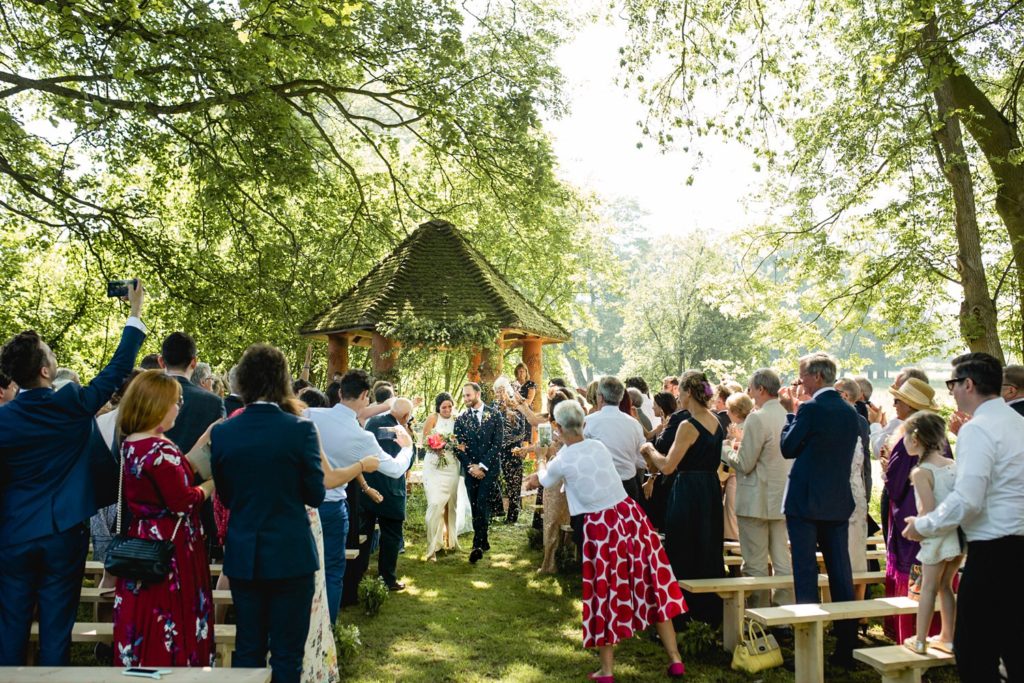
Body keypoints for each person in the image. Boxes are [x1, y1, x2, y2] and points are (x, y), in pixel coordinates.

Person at [0, 279, 146, 666]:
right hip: (64, 533)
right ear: (47, 370)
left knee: (10, 626)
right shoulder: (72, 405)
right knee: (56, 627)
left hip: (13, 533)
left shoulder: (4, 420)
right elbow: (117, 370)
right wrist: (134, 314)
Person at [525, 400, 686, 682]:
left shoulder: (563, 458)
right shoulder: (598, 446)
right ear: (583, 424)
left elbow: (546, 480)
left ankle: (607, 670)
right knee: (652, 585)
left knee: (605, 593)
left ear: (559, 428)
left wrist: (537, 464)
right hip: (630, 518)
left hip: (602, 527)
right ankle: (675, 660)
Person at [903, 352, 1024, 681]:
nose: (951, 392)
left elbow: (968, 499)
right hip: (1017, 548)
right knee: (1015, 648)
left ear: (968, 384)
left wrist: (923, 524)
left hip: (992, 552)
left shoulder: (978, 429)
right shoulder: (1018, 423)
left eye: (953, 384)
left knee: (974, 654)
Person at [210, 344, 326, 683]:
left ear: (243, 381)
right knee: (288, 654)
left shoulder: (223, 432)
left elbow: (226, 496)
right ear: (282, 382)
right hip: (291, 554)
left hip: (245, 553)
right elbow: (315, 494)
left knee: (248, 647)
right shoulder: (300, 430)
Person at [111, 370, 216, 667]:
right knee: (170, 610)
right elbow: (183, 501)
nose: (179, 406)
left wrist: (200, 443)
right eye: (176, 401)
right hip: (172, 543)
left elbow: (174, 471)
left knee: (145, 609)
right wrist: (210, 485)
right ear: (158, 405)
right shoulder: (160, 448)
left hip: (143, 536)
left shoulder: (132, 442)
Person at [779, 352, 859, 667]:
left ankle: (807, 651)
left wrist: (790, 414)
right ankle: (847, 647)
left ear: (817, 377)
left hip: (804, 502)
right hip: (837, 500)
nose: (799, 381)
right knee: (841, 573)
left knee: (805, 573)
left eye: (802, 376)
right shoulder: (849, 411)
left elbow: (788, 448)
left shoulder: (810, 409)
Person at [305, 369, 406, 621]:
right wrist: (407, 448)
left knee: (304, 568)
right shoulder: (362, 437)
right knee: (333, 571)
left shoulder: (309, 415)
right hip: (332, 508)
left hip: (302, 506)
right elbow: (394, 469)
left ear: (340, 393)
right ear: (364, 396)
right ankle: (328, 628)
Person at [641, 370, 725, 626]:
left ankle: (680, 615)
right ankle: (708, 612)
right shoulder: (716, 422)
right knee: (707, 548)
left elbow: (667, 466)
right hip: (709, 489)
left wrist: (649, 449)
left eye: (681, 393)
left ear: (688, 392)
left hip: (688, 489)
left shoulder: (689, 425)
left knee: (682, 547)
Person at [722, 368, 792, 608]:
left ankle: (758, 616)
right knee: (782, 559)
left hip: (755, 498)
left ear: (761, 389)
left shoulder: (757, 417)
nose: (749, 393)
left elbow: (745, 463)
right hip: (781, 497)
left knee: (755, 562)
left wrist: (727, 449)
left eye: (751, 388)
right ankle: (784, 613)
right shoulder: (787, 414)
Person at [882, 377, 942, 643]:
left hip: (912, 515)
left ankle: (912, 636)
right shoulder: (938, 437)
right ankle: (936, 632)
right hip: (936, 518)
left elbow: (895, 485)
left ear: (909, 406)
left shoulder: (909, 437)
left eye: (898, 400)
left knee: (915, 579)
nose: (894, 405)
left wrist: (887, 469)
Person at [899, 411, 961, 655]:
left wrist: (916, 523)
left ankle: (921, 639)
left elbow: (928, 509)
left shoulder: (921, 472)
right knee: (947, 586)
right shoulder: (953, 465)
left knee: (927, 588)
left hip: (936, 537)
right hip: (956, 535)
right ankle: (948, 638)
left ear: (915, 440)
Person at [91, 368, 145, 595]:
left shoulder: (102, 419)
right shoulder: (138, 423)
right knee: (123, 571)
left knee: (107, 572)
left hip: (100, 501)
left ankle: (101, 622)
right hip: (123, 503)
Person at [363, 398, 417, 591]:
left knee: (364, 533)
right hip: (392, 489)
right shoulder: (402, 432)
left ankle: (358, 573)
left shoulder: (372, 423)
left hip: (367, 488)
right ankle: (387, 578)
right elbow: (408, 460)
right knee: (391, 536)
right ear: (405, 416)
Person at [453, 382, 504, 564]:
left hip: (489, 469)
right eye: (464, 396)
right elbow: (459, 448)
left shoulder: (495, 414)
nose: (466, 399)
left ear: (478, 394)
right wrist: (471, 467)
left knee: (482, 502)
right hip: (470, 470)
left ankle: (477, 545)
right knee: (475, 506)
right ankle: (484, 541)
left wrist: (482, 466)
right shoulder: (460, 419)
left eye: (468, 395)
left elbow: (497, 444)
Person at [583, 376, 646, 501]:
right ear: (621, 397)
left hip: (599, 487)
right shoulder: (634, 424)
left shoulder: (588, 422)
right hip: (628, 486)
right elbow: (642, 461)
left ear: (600, 397)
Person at [835, 377, 870, 601]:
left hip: (844, 488)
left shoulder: (841, 422)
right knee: (856, 549)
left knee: (844, 548)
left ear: (844, 396)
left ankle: (846, 604)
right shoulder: (862, 422)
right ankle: (859, 609)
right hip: (858, 488)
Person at [421, 392, 467, 560]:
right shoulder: (433, 418)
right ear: (438, 408)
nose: (447, 410)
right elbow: (424, 440)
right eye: (444, 407)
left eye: (450, 406)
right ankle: (432, 546)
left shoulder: (457, 420)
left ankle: (450, 541)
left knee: (451, 504)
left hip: (451, 465)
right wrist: (435, 446)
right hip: (434, 465)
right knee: (435, 503)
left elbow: (462, 442)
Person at [642, 391, 685, 531]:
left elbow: (661, 450)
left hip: (665, 476)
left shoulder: (671, 423)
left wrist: (651, 480)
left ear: (661, 407)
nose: (652, 408)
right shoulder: (664, 424)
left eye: (654, 405)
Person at [493, 384, 529, 523]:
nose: (500, 394)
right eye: (497, 391)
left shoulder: (517, 408)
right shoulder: (494, 408)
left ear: (508, 391)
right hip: (498, 451)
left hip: (513, 450)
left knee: (513, 484)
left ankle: (512, 517)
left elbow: (522, 433)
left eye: (502, 390)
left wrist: (507, 440)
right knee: (496, 482)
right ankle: (497, 511)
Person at [720, 392, 752, 547]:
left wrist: (727, 444)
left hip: (735, 478)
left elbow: (732, 457)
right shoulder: (744, 426)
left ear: (736, 411)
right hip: (735, 479)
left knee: (733, 520)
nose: (726, 413)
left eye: (729, 409)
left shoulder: (740, 429)